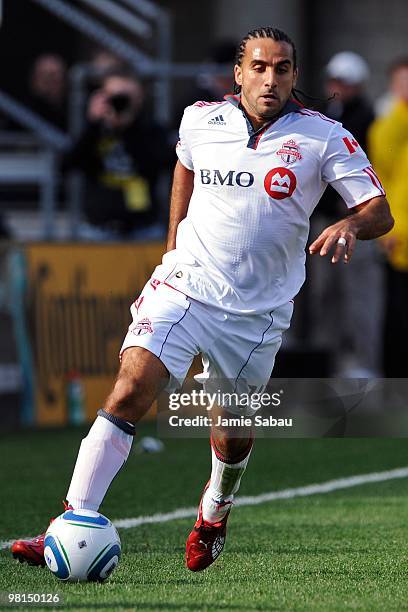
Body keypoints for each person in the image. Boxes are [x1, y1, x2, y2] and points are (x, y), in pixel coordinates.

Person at [11, 27, 393, 572]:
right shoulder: (200, 119)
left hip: (256, 314)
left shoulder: (324, 136)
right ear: (239, 73)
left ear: (294, 76)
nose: (270, 78)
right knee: (130, 387)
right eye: (259, 67)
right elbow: (184, 166)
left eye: (282, 68)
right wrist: (172, 247)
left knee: (231, 434)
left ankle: (214, 510)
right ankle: (69, 523)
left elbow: (380, 210)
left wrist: (352, 224)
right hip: (187, 284)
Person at [309, 51, 384, 376]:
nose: (337, 87)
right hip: (324, 223)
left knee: (360, 298)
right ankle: (328, 364)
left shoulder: (371, 119)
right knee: (324, 297)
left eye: (344, 82)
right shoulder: (322, 116)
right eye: (334, 80)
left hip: (357, 222)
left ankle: (363, 365)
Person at [63, 69, 171, 240]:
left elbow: (158, 164)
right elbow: (69, 164)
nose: (120, 102)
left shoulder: (152, 129)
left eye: (127, 97)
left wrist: (130, 127)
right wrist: (93, 124)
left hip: (143, 227)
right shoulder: (93, 129)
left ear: (139, 98)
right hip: (97, 227)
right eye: (114, 96)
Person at [368, 57, 408, 376]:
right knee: (397, 316)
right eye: (402, 82)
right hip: (399, 236)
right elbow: (382, 176)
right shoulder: (388, 125)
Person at [25, 54, 68, 130]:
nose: (51, 80)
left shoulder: (72, 112)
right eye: (45, 75)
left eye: (55, 74)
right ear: (34, 80)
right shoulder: (23, 113)